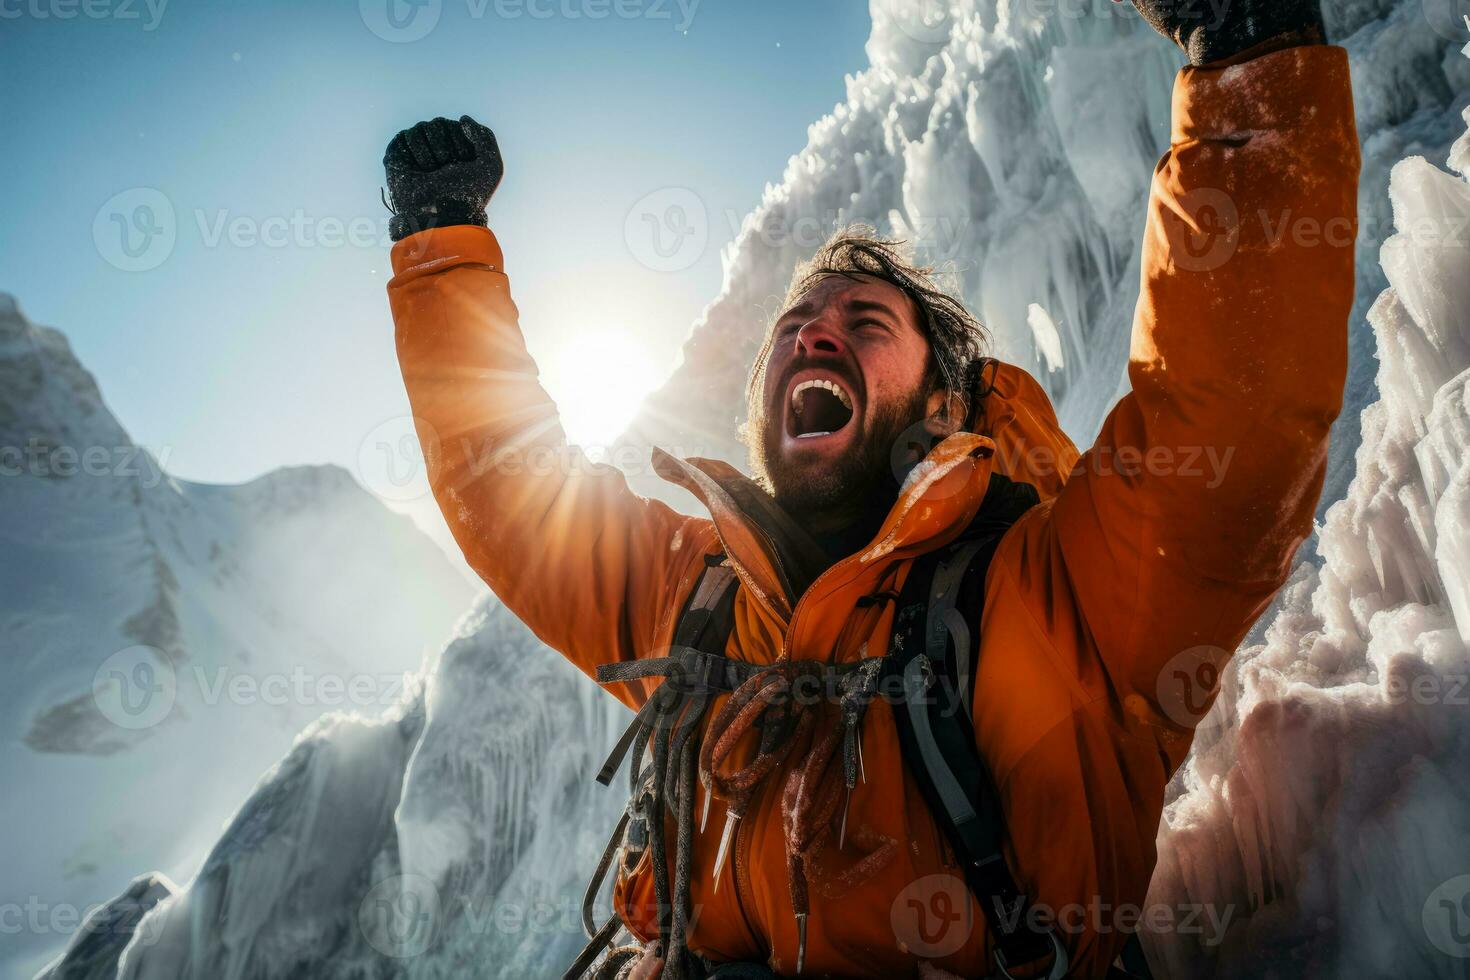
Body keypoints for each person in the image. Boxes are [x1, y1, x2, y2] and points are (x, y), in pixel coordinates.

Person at [380, 1, 1357, 975]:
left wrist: (1252, 57)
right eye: (797, 323)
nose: (814, 330)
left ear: (943, 404)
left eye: (865, 319)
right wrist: (442, 244)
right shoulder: (701, 599)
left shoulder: (1049, 594)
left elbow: (1228, 415)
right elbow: (512, 491)